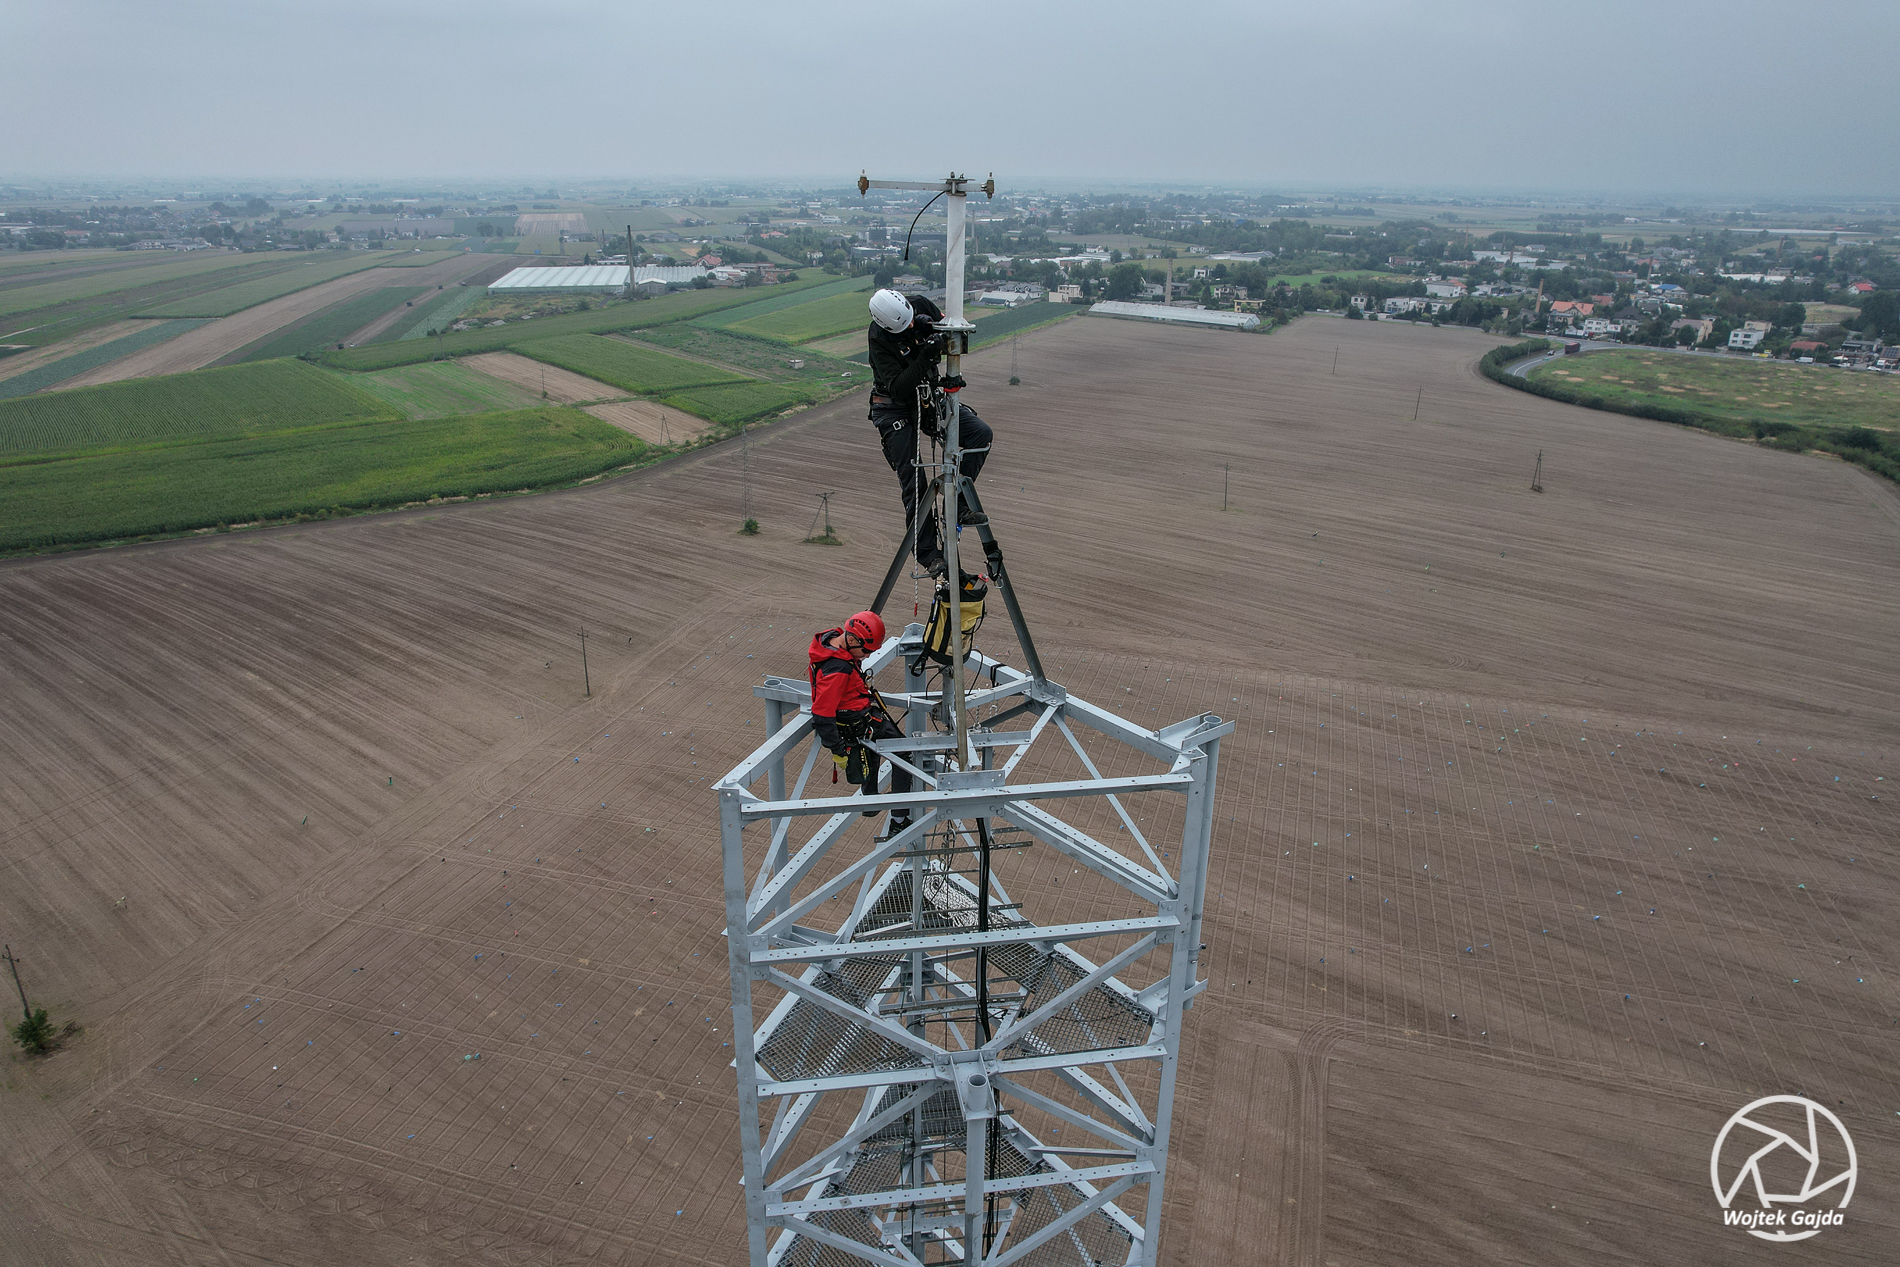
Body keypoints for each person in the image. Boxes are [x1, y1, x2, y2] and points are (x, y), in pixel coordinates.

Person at [866, 288, 993, 576]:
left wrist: (935, 331)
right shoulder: (879, 339)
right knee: (915, 482)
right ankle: (929, 555)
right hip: (894, 407)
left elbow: (950, 335)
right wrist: (925, 355)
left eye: (911, 320)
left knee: (979, 435)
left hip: (927, 397)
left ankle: (958, 506)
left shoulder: (917, 305)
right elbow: (898, 387)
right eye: (905, 328)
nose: (911, 326)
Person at [808, 609, 914, 831]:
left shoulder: (832, 642)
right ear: (852, 639)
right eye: (865, 650)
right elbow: (822, 712)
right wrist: (837, 749)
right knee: (904, 754)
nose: (866, 656)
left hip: (858, 717)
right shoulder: (838, 669)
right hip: (856, 723)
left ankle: (871, 802)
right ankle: (899, 820)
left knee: (870, 759)